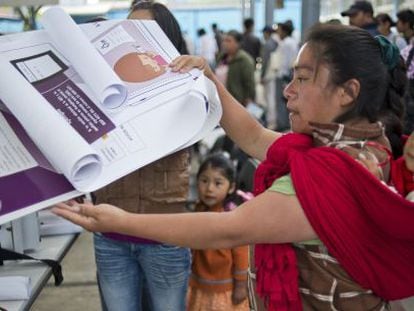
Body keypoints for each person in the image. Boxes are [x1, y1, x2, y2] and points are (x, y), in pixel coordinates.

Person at [54, 24, 414, 310]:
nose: (288, 90)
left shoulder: (331, 175)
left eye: (303, 78)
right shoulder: (366, 146)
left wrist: (120, 221)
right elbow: (255, 136)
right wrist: (209, 78)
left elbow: (227, 229)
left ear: (347, 93)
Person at [91, 2, 191, 311]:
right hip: (111, 234)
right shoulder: (103, 87)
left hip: (165, 235)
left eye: (146, 31)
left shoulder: (187, 83)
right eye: (129, 30)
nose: (135, 39)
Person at [187, 153, 249, 311]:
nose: (209, 189)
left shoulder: (231, 217)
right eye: (204, 181)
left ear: (232, 187)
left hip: (225, 290)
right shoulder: (198, 209)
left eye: (218, 183)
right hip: (199, 285)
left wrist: (241, 285)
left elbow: (242, 255)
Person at [215, 30, 255, 106]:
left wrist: (249, 99)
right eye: (224, 40)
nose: (224, 43)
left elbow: (249, 83)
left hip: (237, 101)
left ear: (238, 43)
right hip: (221, 98)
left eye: (228, 41)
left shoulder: (244, 60)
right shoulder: (221, 57)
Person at [274, 20, 298, 132]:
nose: (278, 33)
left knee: (281, 100)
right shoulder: (293, 42)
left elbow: (283, 62)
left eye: (279, 30)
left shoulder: (285, 43)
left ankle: (282, 124)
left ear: (284, 31)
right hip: (291, 73)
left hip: (284, 74)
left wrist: (282, 75)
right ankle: (287, 123)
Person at [260, 25, 278, 130]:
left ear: (266, 33)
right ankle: (273, 119)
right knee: (272, 97)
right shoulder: (275, 43)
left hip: (268, 74)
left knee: (269, 98)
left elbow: (265, 62)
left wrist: (262, 75)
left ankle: (271, 121)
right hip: (274, 73)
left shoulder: (267, 45)